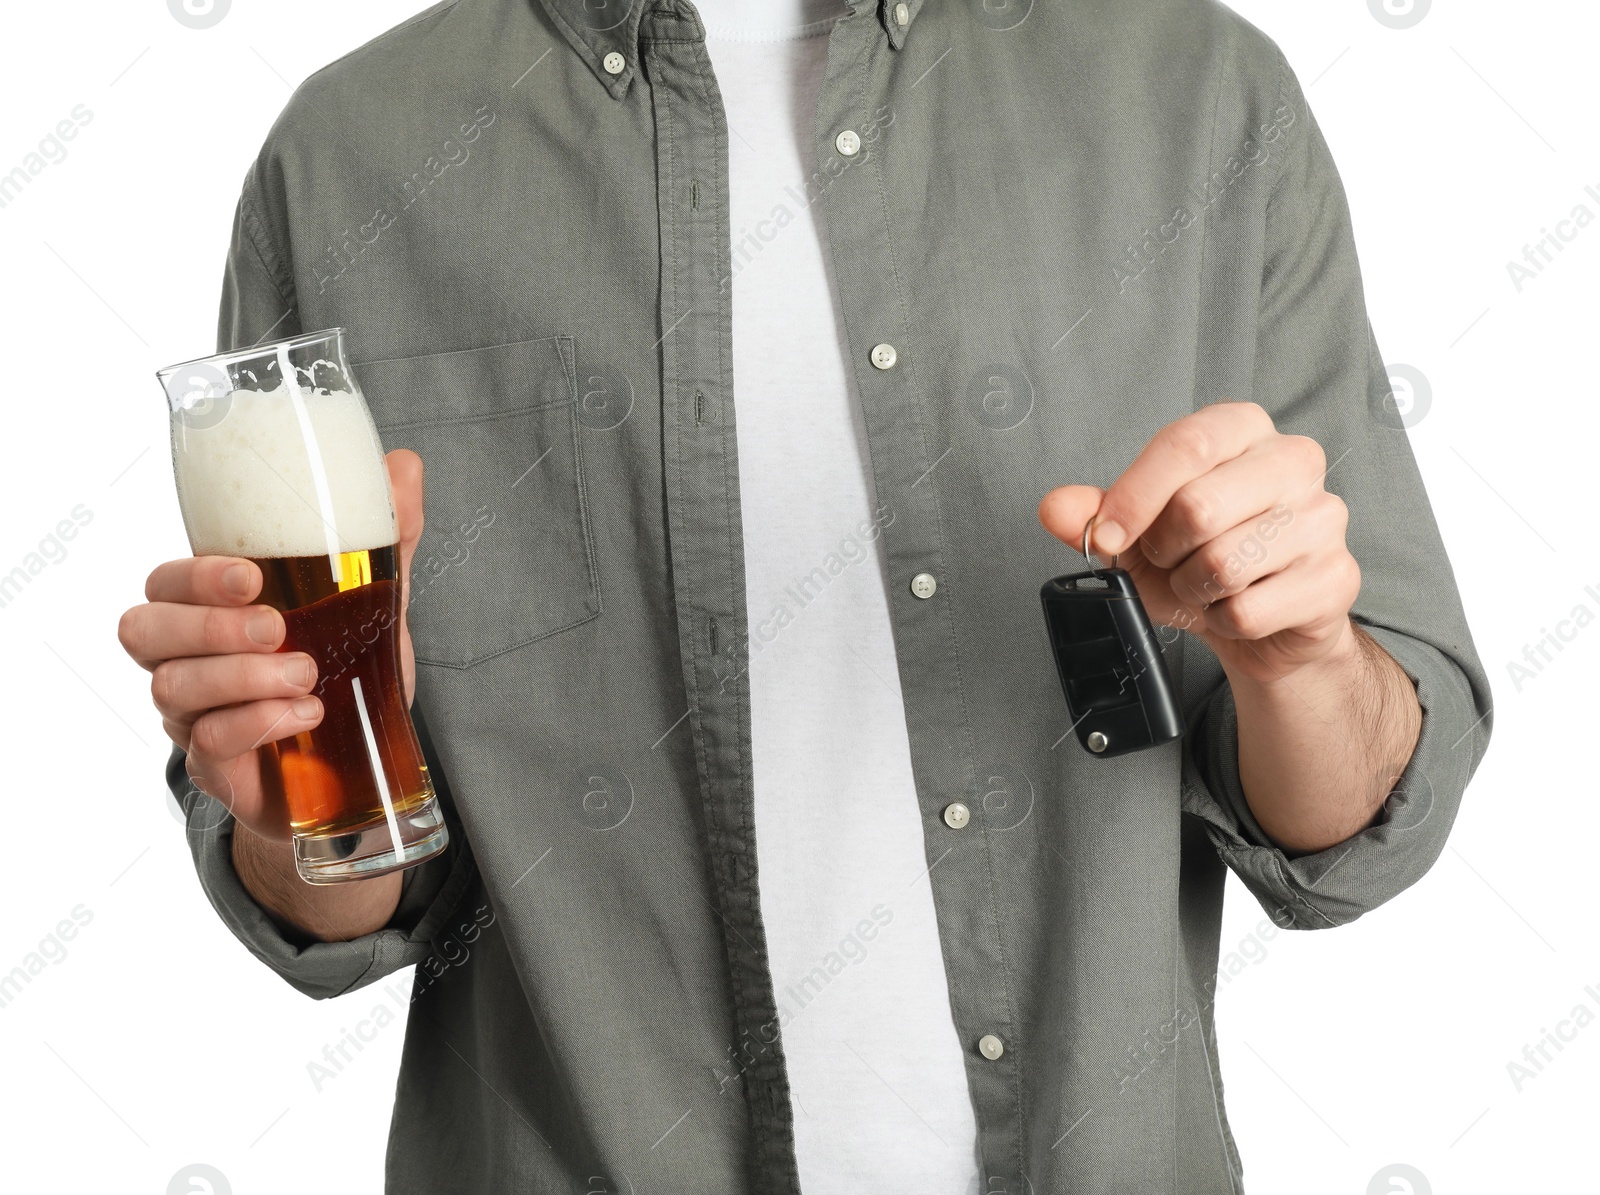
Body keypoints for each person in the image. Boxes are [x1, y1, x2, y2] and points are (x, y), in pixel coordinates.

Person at [117, 0, 1491, 1190]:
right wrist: (289, 789)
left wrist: (1302, 662)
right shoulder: (349, 158)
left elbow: (1356, 831)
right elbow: (343, 888)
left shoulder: (1200, 97)